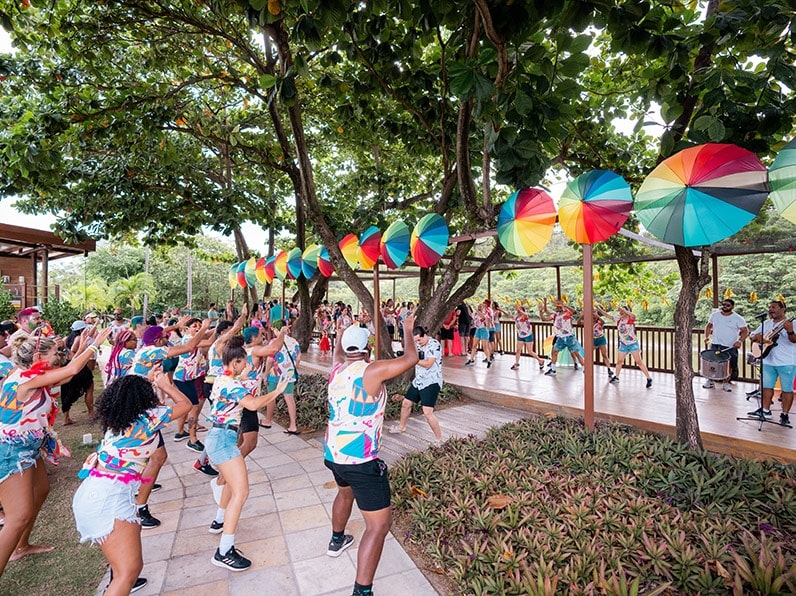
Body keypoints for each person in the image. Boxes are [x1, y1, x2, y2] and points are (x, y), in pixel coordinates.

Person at [0, 325, 112, 576]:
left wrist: (82, 345)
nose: (59, 356)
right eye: (55, 352)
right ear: (39, 358)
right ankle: (16, 545)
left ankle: (21, 546)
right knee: (18, 516)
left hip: (28, 448)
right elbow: (71, 369)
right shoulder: (25, 380)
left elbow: (67, 375)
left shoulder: (29, 374)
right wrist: (96, 344)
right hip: (11, 453)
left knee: (42, 490)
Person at [324, 314, 418, 596]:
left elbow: (341, 350)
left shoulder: (337, 369)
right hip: (361, 460)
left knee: (344, 493)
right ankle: (362, 591)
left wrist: (342, 332)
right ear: (368, 347)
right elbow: (410, 359)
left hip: (334, 453)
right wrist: (407, 329)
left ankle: (336, 540)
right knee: (379, 525)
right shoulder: (372, 371)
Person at [72, 371, 190, 595]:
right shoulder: (148, 418)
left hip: (95, 492)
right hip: (108, 498)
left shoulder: (118, 420)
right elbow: (185, 404)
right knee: (128, 571)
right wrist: (166, 385)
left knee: (125, 566)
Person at [204, 336, 289, 571]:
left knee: (232, 486)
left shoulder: (223, 378)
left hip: (220, 438)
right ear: (235, 364)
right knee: (241, 493)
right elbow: (252, 405)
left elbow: (237, 387)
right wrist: (277, 391)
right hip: (223, 440)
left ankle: (219, 520)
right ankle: (224, 551)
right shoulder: (232, 385)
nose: (247, 366)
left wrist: (243, 375)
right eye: (243, 363)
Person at [389, 325, 443, 441]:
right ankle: (401, 427)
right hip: (419, 380)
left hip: (431, 381)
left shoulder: (434, 345)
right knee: (406, 403)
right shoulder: (417, 345)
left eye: (419, 339)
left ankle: (439, 439)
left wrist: (414, 360)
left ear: (425, 335)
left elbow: (429, 363)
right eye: (416, 341)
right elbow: (410, 356)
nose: (418, 342)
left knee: (427, 413)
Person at [746, 300, 796, 426]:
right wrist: (756, 338)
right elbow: (752, 336)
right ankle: (765, 411)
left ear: (783, 309)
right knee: (766, 387)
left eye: (774, 307)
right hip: (768, 360)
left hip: (786, 361)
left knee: (787, 390)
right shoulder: (766, 323)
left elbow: (794, 340)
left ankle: (784, 415)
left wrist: (790, 331)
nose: (771, 309)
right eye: (769, 307)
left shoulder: (792, 323)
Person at [599, 304, 653, 388]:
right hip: (623, 344)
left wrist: (625, 310)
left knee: (639, 362)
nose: (621, 312)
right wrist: (598, 308)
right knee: (619, 361)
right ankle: (616, 377)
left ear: (627, 312)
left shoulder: (630, 318)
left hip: (632, 344)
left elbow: (634, 315)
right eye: (620, 311)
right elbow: (607, 315)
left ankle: (649, 378)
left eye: (623, 311)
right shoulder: (619, 320)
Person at [261, 327, 302, 434]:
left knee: (271, 397)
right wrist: (293, 369)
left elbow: (270, 360)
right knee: (289, 398)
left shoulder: (274, 342)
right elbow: (298, 358)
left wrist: (265, 374)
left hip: (274, 374)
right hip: (289, 375)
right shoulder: (294, 341)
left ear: (277, 330)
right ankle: (293, 425)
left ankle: (268, 421)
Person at [703, 298, 748, 392]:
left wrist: (739, 341)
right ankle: (710, 380)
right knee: (712, 362)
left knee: (729, 364)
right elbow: (708, 326)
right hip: (715, 343)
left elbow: (745, 331)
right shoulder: (715, 315)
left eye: (728, 305)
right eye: (723, 304)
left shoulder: (738, 318)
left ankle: (726, 383)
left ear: (732, 307)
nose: (725, 307)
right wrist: (706, 337)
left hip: (730, 345)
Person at [539, 298, 584, 375]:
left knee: (576, 353)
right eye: (556, 306)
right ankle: (553, 370)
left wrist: (564, 305)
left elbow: (575, 312)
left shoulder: (567, 313)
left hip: (569, 337)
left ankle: (584, 368)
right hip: (560, 338)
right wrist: (540, 312)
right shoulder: (555, 315)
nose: (556, 308)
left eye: (558, 306)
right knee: (554, 352)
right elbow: (544, 319)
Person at [577, 308, 613, 378]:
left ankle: (609, 369)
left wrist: (597, 315)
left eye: (595, 314)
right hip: (592, 340)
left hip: (601, 338)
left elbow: (603, 322)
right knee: (588, 355)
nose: (594, 316)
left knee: (604, 355)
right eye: (592, 314)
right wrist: (582, 316)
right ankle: (586, 368)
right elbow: (578, 323)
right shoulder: (588, 322)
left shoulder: (600, 321)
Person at [510, 305, 545, 371]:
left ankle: (540, 360)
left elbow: (526, 314)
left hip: (528, 335)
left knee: (530, 351)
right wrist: (501, 310)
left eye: (520, 309)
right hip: (520, 336)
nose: (518, 311)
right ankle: (516, 363)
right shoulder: (516, 317)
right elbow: (509, 316)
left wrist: (519, 310)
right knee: (518, 350)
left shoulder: (525, 316)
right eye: (518, 309)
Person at [465, 301, 492, 367]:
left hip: (484, 330)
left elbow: (482, 317)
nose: (479, 307)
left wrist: (478, 311)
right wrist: (468, 307)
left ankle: (488, 360)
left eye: (481, 306)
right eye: (479, 306)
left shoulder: (486, 314)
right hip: (478, 330)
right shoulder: (476, 314)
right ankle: (471, 359)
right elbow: (470, 314)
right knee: (474, 345)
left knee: (485, 347)